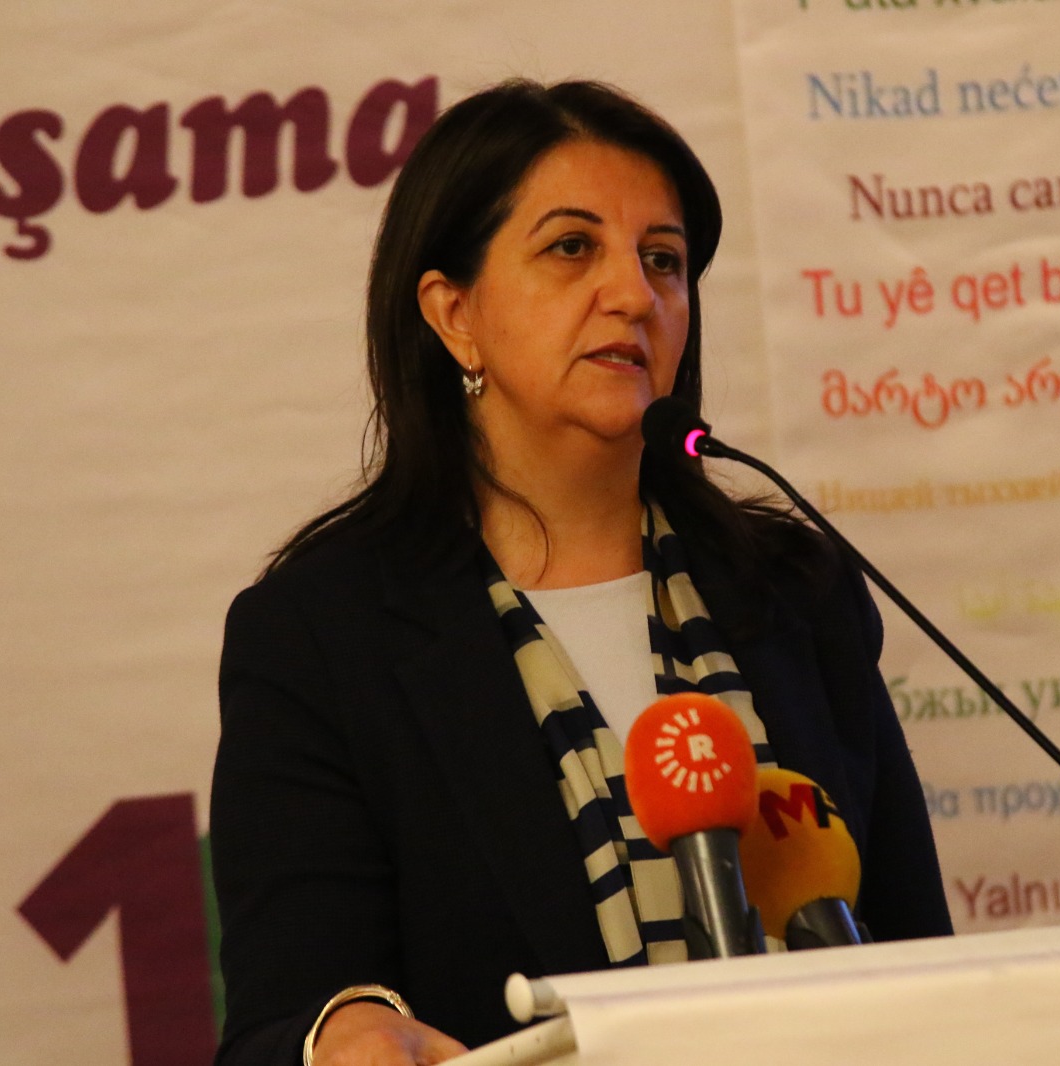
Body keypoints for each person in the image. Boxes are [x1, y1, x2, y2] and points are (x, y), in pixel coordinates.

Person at [209, 78, 952, 1066]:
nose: (634, 295)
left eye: (663, 260)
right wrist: (341, 1029)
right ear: (453, 313)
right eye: (571, 248)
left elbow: (919, 960)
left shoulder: (792, 588)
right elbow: (283, 1011)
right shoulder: (321, 635)